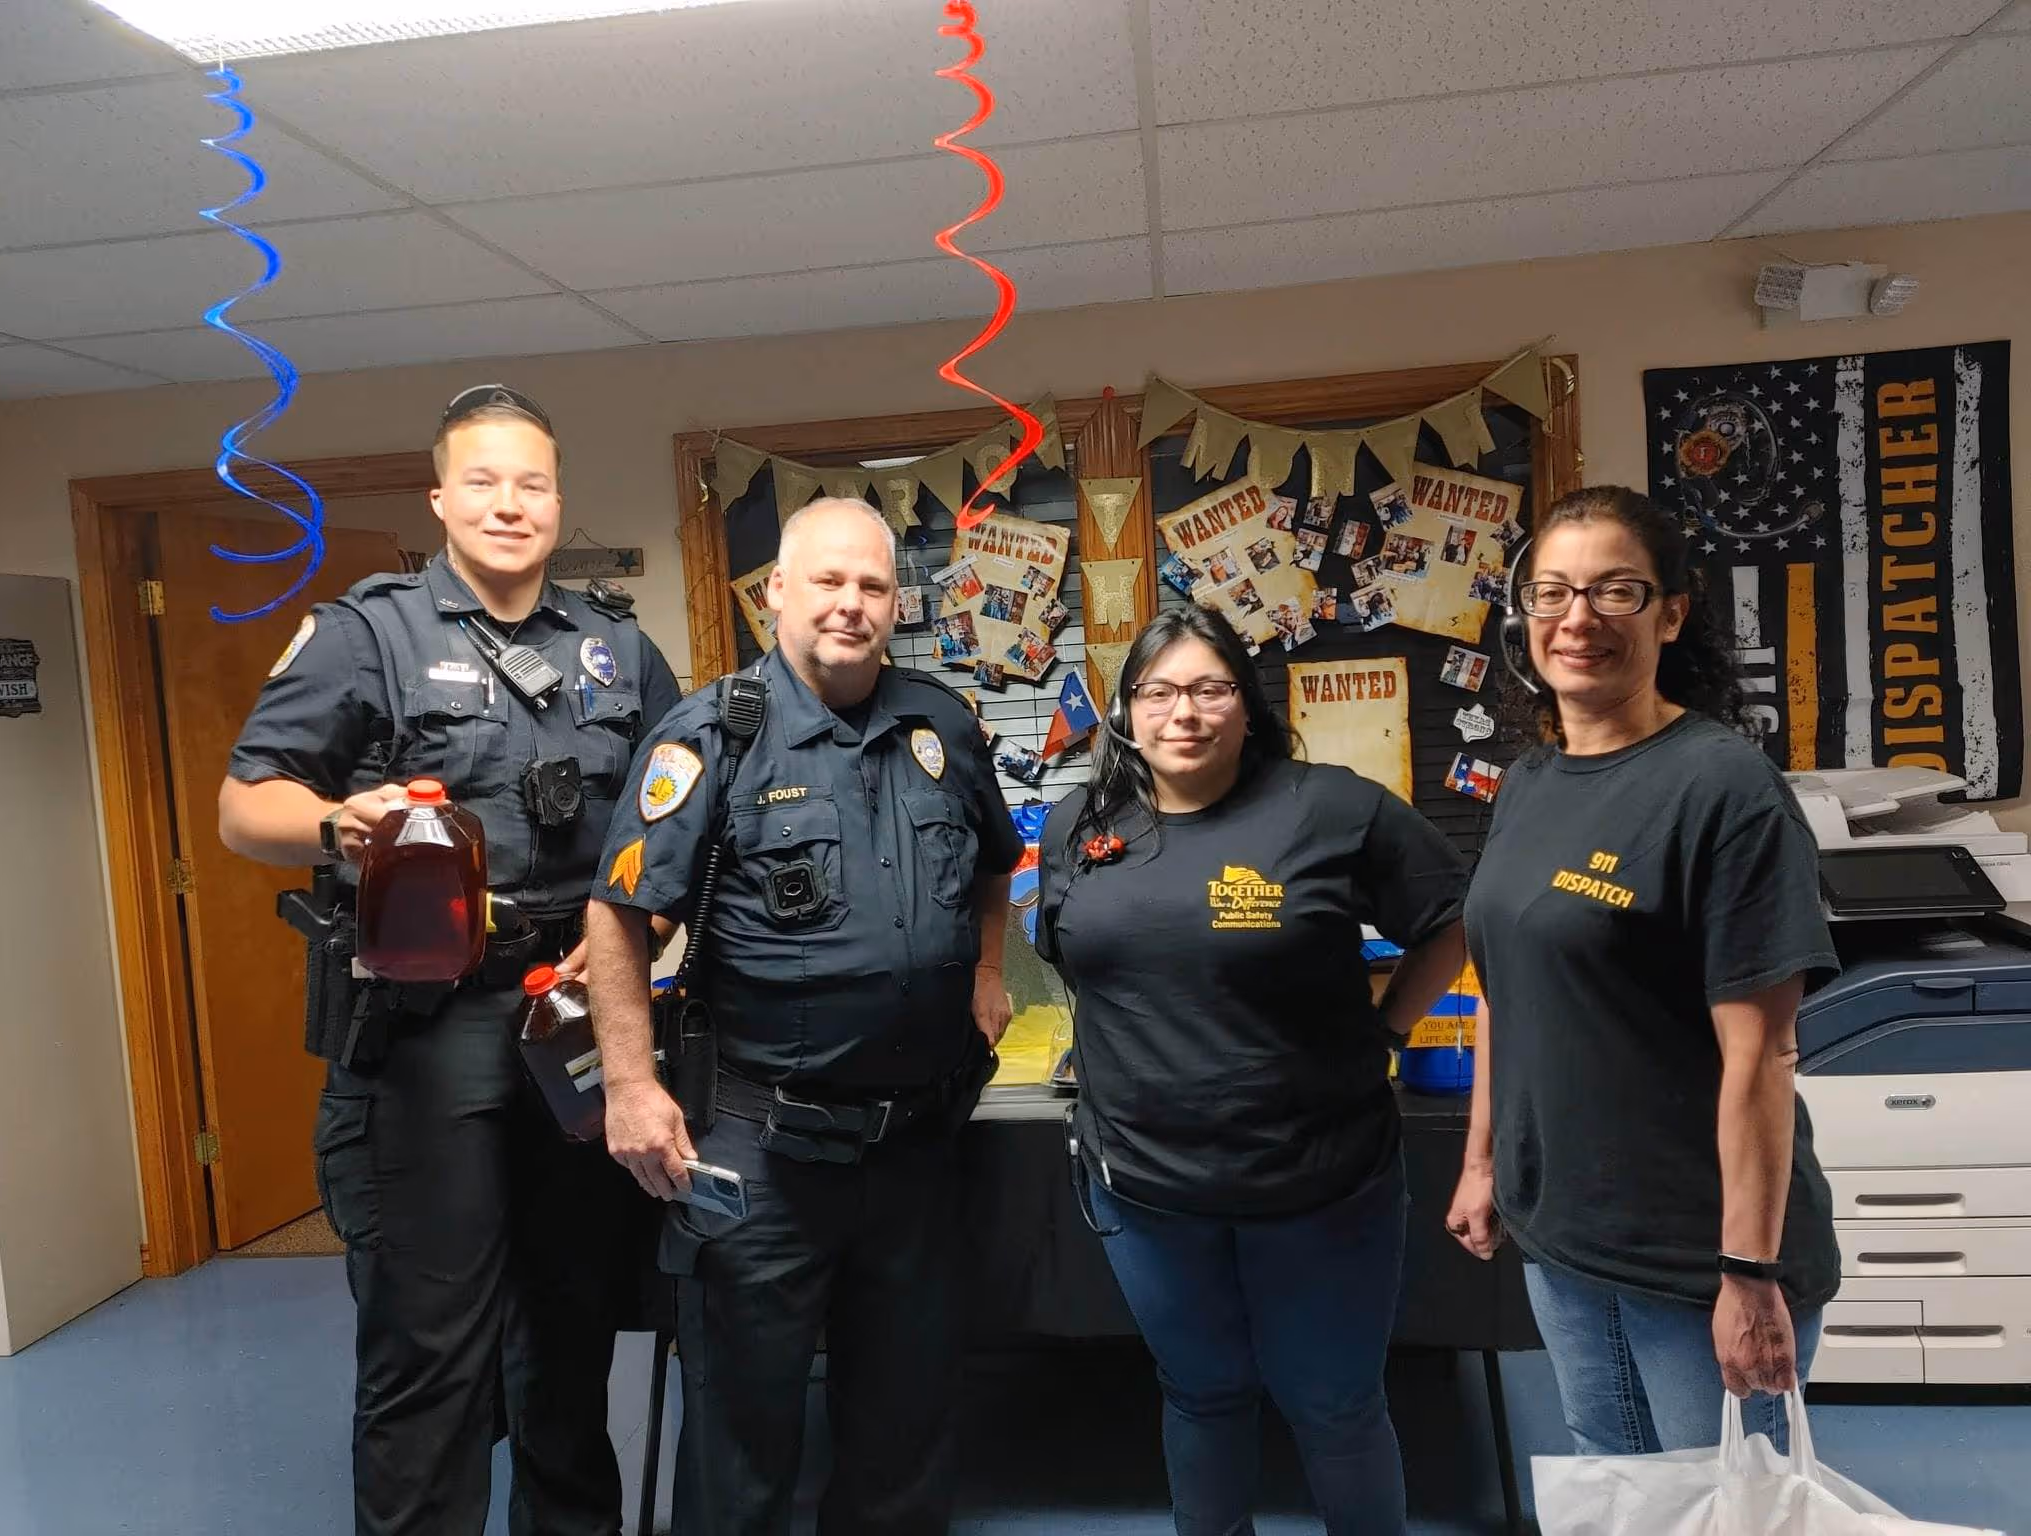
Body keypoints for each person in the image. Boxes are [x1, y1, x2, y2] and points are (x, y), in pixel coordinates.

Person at [219, 383, 682, 1535]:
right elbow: (241, 806)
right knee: (433, 1352)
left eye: (531, 483)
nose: (509, 504)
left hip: (572, 1020)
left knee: (570, 1334)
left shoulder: (616, 650)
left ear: (558, 501)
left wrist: (637, 936)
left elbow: (672, 833)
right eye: (483, 481)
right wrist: (339, 823)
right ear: (440, 498)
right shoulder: (367, 633)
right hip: (428, 1031)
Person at [583, 497, 1021, 1536]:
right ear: (775, 592)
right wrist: (633, 1087)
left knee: (905, 1434)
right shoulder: (710, 737)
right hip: (763, 1152)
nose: (850, 605)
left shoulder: (941, 725)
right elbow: (619, 913)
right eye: (826, 581)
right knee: (743, 1443)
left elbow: (996, 864)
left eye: (871, 586)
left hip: (914, 1148)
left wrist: (986, 971)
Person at [1033, 605, 1470, 1536]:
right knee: (1202, 1395)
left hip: (1322, 1181)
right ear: (1126, 709)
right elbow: (1074, 959)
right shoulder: (1081, 820)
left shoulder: (1331, 806)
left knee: (1335, 1406)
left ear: (1246, 702)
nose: (1182, 713)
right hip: (1145, 1189)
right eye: (1157, 691)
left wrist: (1390, 1028)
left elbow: (1454, 916)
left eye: (1208, 688)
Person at [1446, 484, 1842, 1456]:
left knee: (1728, 1510)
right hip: (1564, 1232)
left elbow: (1762, 1054)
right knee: (1612, 1483)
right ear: (1522, 617)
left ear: (1669, 613)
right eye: (1550, 593)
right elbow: (1506, 989)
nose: (1575, 619)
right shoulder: (1529, 781)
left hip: (1692, 1252)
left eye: (1612, 591)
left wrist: (1748, 1271)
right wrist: (1483, 1159)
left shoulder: (1717, 788)